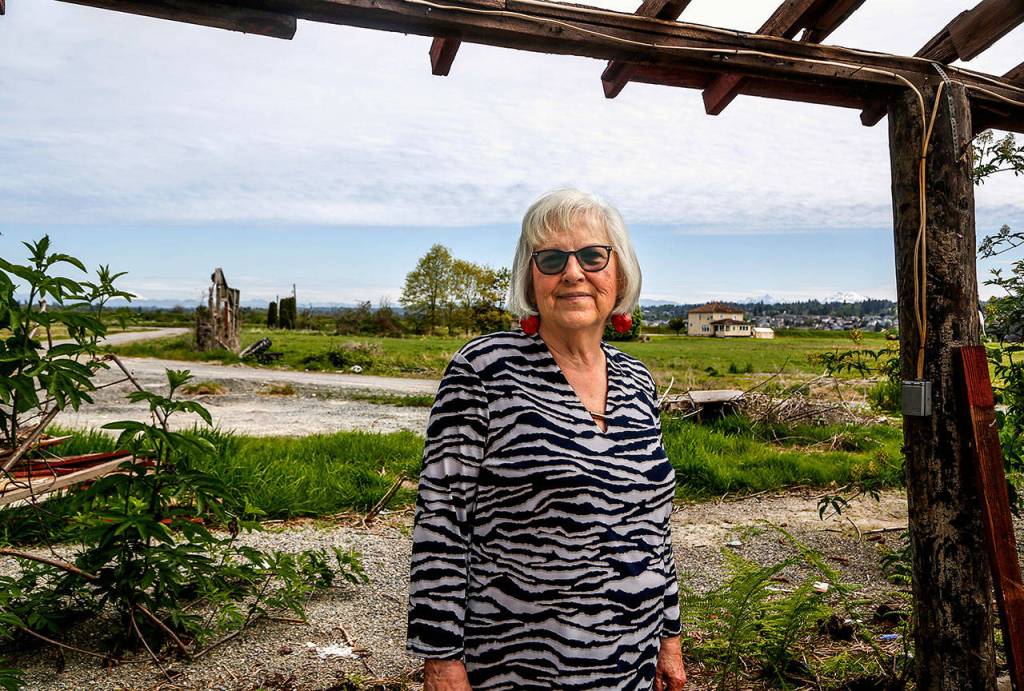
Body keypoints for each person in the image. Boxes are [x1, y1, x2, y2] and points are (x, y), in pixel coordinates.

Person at [406, 188, 687, 690]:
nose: (573, 273)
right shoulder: (483, 371)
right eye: (552, 259)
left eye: (593, 256)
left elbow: (654, 530)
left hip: (631, 665)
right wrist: (441, 659)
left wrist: (669, 638)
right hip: (521, 667)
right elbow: (441, 523)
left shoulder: (637, 381)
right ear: (529, 278)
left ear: (620, 273)